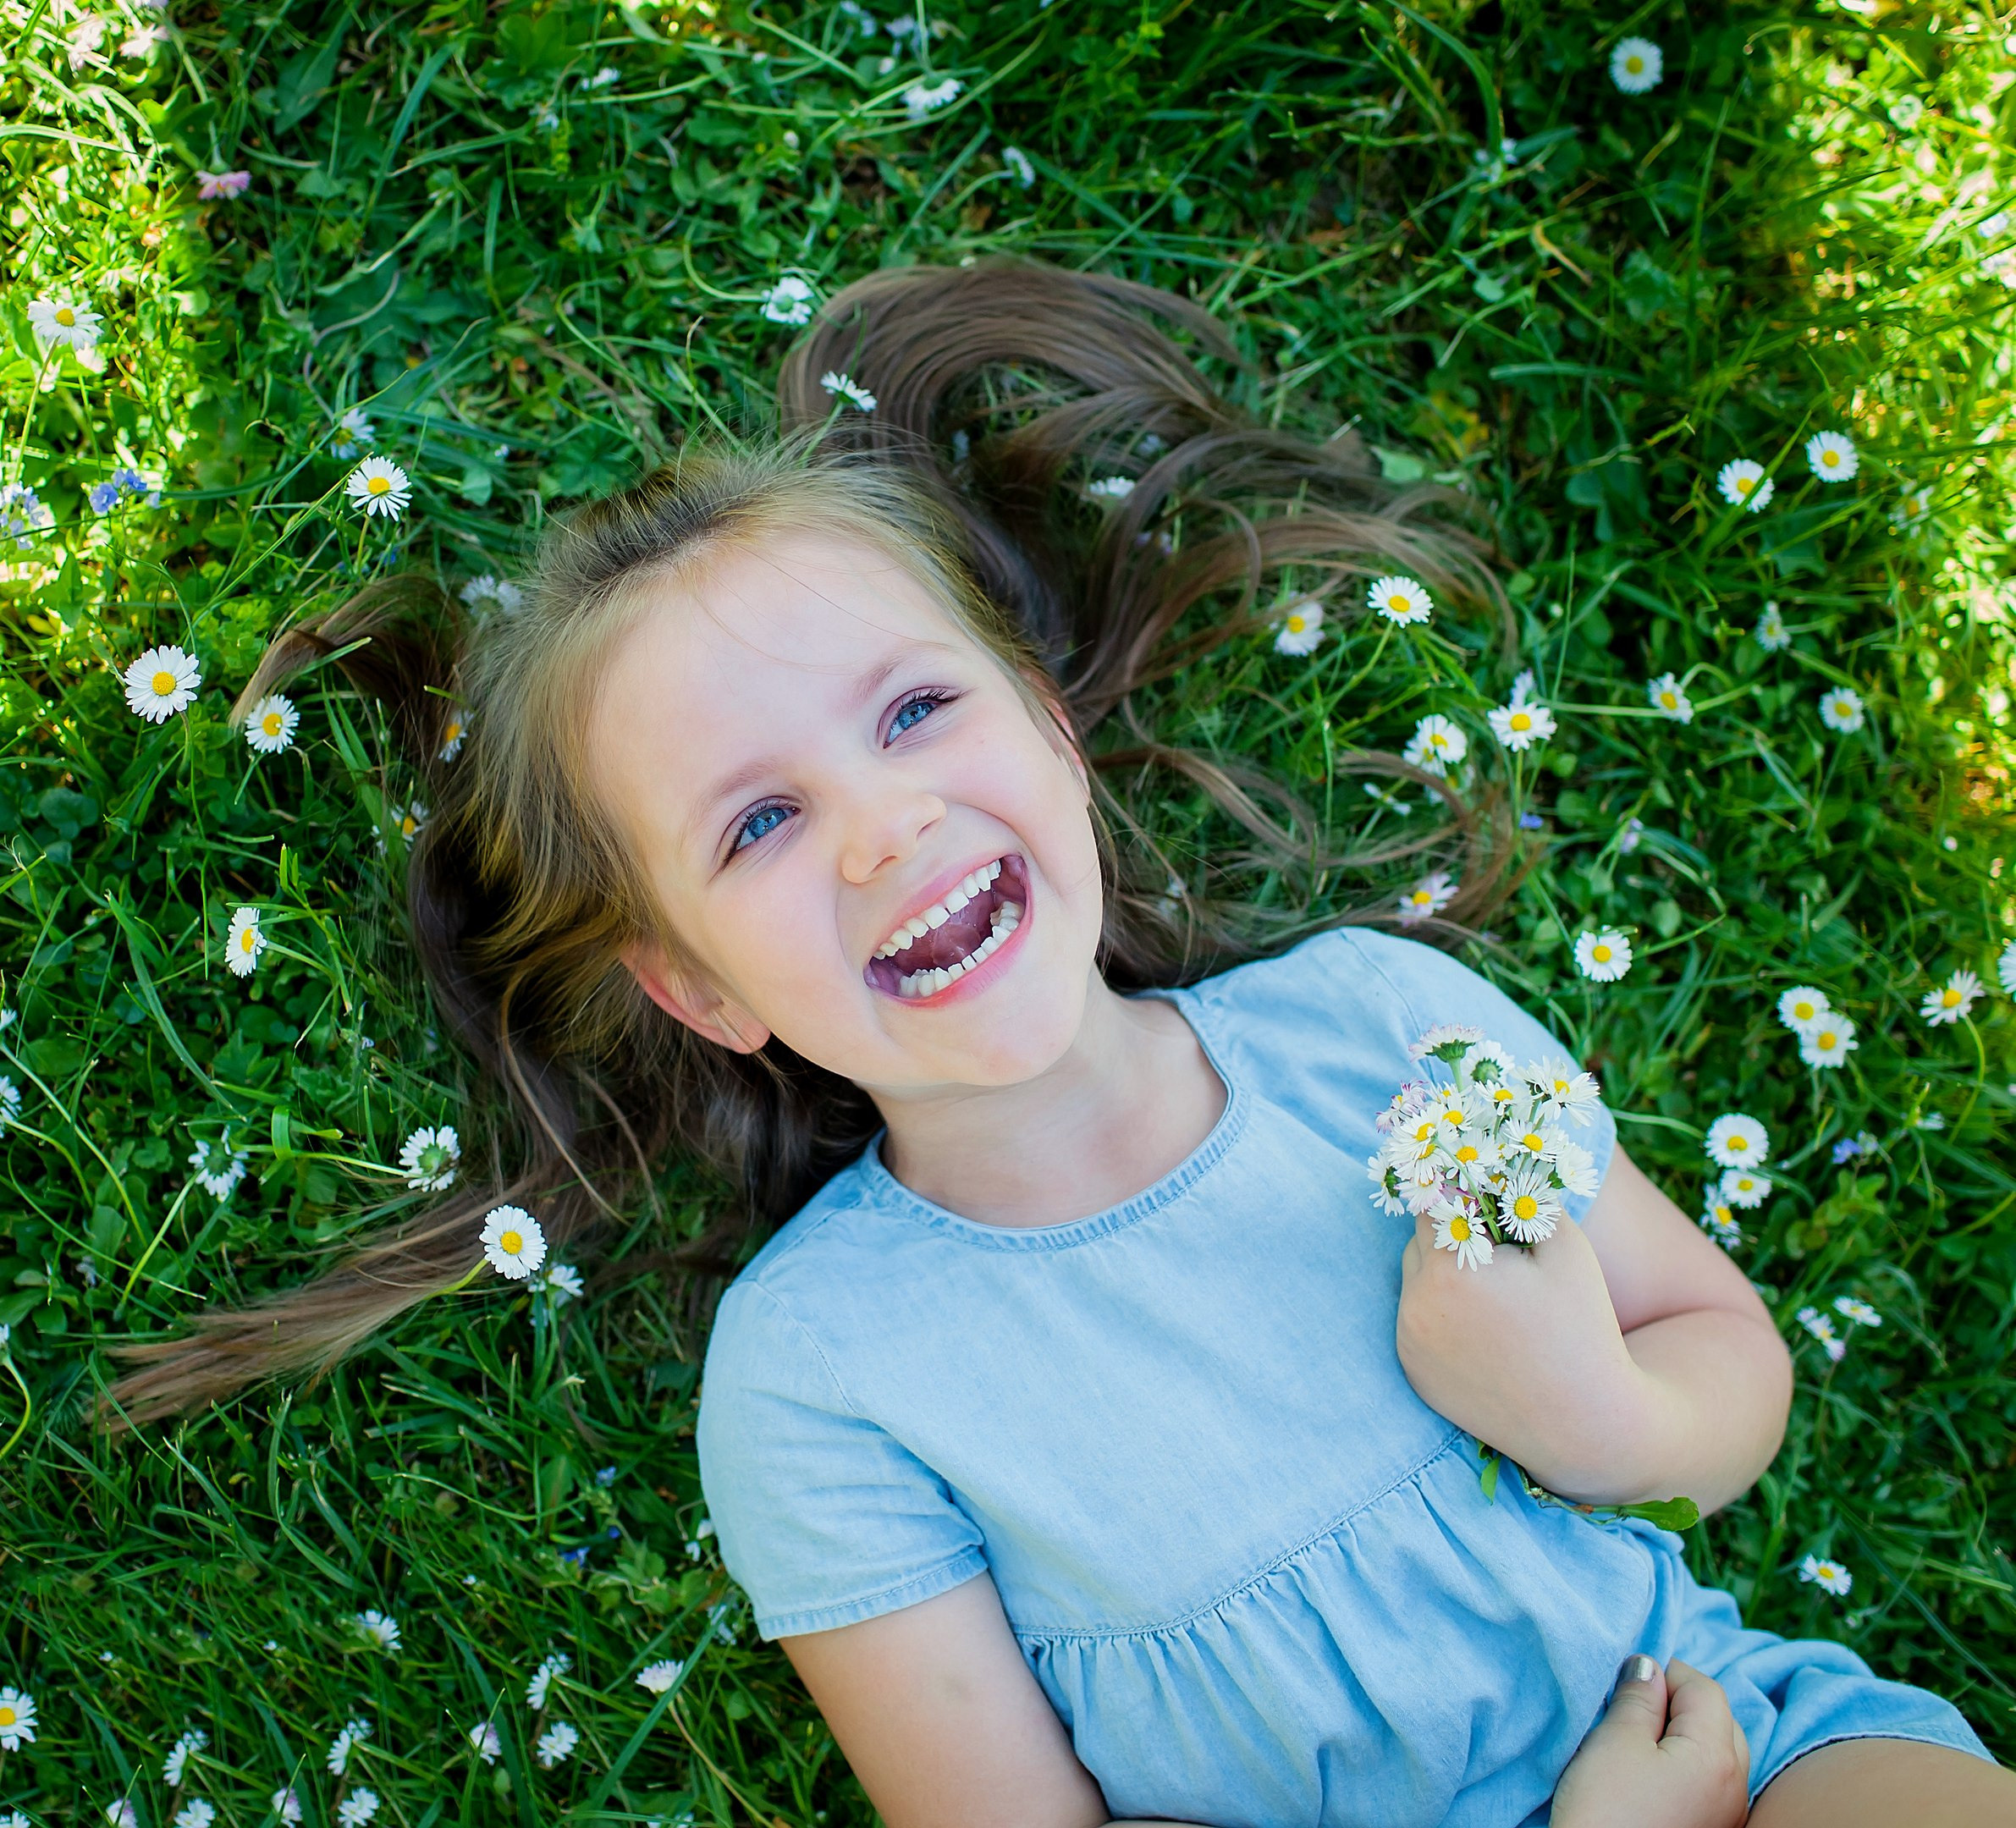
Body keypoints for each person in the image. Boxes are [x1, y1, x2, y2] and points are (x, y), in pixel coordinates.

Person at [109, 264, 2012, 1826]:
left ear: (1048, 731)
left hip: (1737, 1744)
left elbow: (1725, 1362)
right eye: (758, 827)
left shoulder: (1383, 1030)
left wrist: (1590, 1416)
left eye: (918, 711)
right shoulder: (824, 1381)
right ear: (703, 991)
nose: (883, 825)